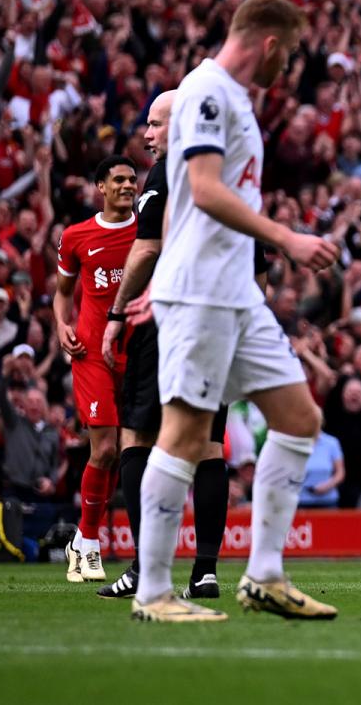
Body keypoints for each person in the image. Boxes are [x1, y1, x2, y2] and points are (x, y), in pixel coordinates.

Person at [133, 0, 340, 623]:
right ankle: (153, 592)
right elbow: (202, 188)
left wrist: (159, 270)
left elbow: (177, 204)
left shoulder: (234, 98)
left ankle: (265, 575)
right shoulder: (209, 91)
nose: (290, 65)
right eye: (292, 52)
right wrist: (286, 238)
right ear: (270, 43)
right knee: (187, 433)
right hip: (202, 290)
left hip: (230, 290)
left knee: (299, 417)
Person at [97, 90, 236, 603]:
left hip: (166, 318)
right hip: (217, 318)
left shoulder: (165, 174)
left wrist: (116, 313)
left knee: (136, 437)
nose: (148, 135)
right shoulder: (227, 173)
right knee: (208, 445)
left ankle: (142, 566)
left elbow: (146, 249)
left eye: (155, 124)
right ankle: (205, 571)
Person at [53, 155, 137, 584]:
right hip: (91, 351)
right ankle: (87, 542)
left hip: (138, 350)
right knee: (104, 448)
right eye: (118, 179)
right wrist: (62, 325)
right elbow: (62, 293)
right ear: (100, 186)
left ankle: (84, 544)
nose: (127, 185)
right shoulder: (76, 236)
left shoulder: (150, 230)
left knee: (131, 452)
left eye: (131, 179)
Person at [298, 432, 346, 508]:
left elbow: (340, 472)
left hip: (328, 502)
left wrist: (328, 485)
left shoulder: (331, 442)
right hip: (301, 501)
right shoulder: (296, 442)